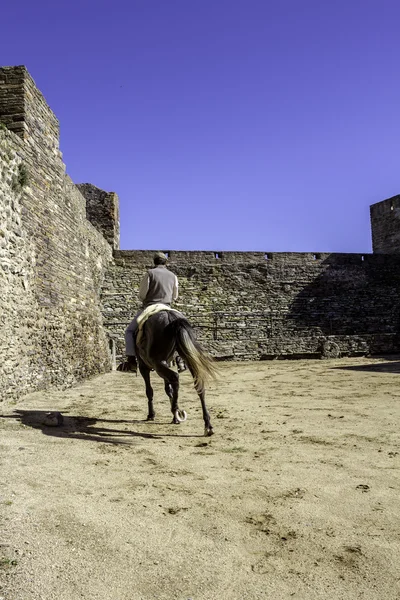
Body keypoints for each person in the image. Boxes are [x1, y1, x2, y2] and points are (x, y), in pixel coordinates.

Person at [119, 252, 185, 373]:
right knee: (184, 327)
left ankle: (131, 361)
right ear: (166, 262)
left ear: (154, 262)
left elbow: (142, 294)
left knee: (129, 331)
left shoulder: (150, 273)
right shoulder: (173, 275)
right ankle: (182, 358)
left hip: (150, 306)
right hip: (167, 306)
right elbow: (175, 296)